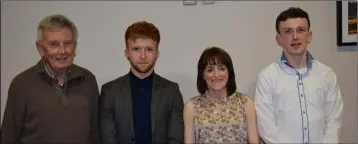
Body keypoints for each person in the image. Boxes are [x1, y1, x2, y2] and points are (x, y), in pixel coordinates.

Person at [1, 14, 99, 144]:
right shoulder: (21, 85)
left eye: (68, 44)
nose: (62, 51)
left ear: (74, 46)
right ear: (40, 48)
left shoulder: (88, 80)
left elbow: (96, 135)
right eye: (54, 44)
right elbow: (8, 137)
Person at [254, 7, 344, 143]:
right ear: (279, 39)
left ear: (309, 36)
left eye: (301, 30)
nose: (295, 37)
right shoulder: (267, 77)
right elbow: (266, 127)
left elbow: (334, 120)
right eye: (288, 31)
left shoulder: (327, 74)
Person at [99, 21, 184, 144]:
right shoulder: (109, 91)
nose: (143, 56)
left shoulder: (172, 91)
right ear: (127, 53)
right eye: (136, 49)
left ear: (157, 54)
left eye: (149, 49)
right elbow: (108, 139)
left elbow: (176, 138)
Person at [183, 47, 260, 143]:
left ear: (229, 72)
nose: (216, 75)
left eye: (221, 69)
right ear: (203, 75)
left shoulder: (246, 103)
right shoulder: (191, 106)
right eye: (210, 70)